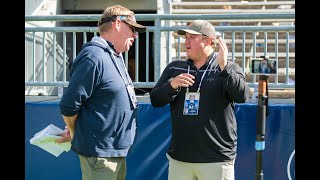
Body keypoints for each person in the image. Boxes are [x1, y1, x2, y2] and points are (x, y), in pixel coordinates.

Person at [150, 20, 250, 180]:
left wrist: (225, 68)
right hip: (180, 158)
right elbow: (155, 100)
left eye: (192, 37)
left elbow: (242, 96)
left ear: (208, 41)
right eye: (185, 37)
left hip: (216, 159)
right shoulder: (175, 68)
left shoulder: (227, 68)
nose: (186, 41)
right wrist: (172, 85)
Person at [55, 5, 146, 180]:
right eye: (132, 29)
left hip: (113, 152)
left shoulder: (114, 55)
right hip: (100, 155)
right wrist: (76, 132)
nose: (135, 35)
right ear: (118, 24)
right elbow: (68, 106)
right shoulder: (94, 56)